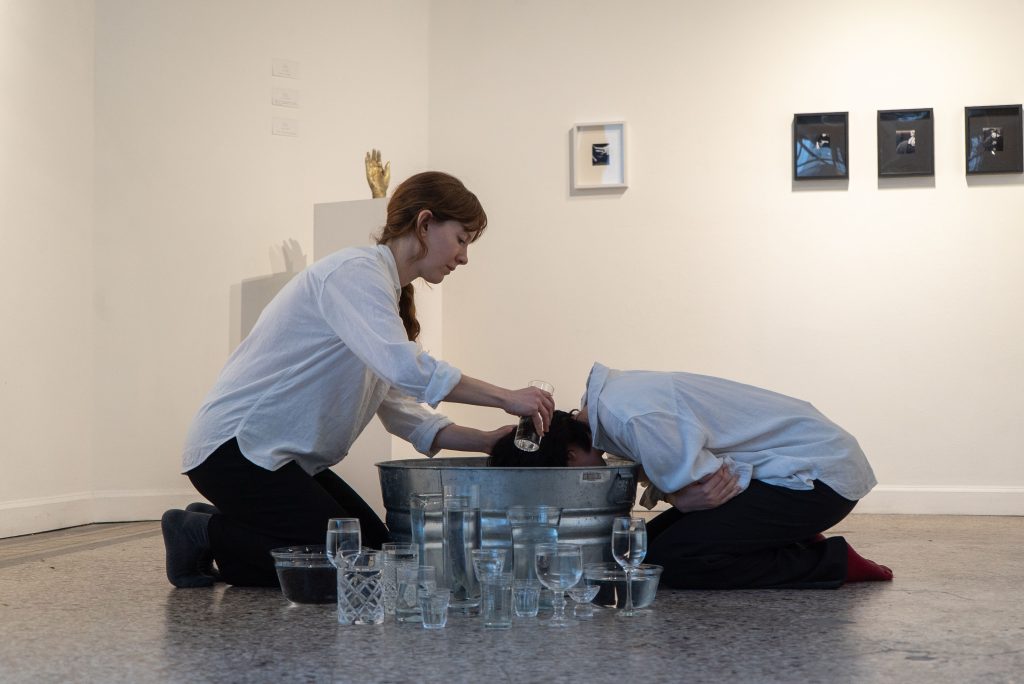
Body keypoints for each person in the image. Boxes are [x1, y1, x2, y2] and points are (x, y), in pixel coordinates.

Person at [163, 171, 554, 589]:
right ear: (425, 224)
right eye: (461, 239)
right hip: (236, 451)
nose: (464, 257)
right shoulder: (355, 274)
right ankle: (198, 532)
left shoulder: (382, 294)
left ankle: (225, 535)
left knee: (377, 555)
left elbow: (403, 412)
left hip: (278, 459)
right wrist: (506, 397)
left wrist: (487, 441)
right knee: (354, 570)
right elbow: (409, 369)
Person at [489, 362, 892, 590]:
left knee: (673, 561)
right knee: (645, 549)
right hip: (794, 471)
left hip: (818, 479)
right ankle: (783, 533)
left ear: (571, 456)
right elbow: (687, 478)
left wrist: (680, 497)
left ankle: (832, 561)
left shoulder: (629, 415)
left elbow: (711, 488)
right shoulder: (613, 407)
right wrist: (678, 495)